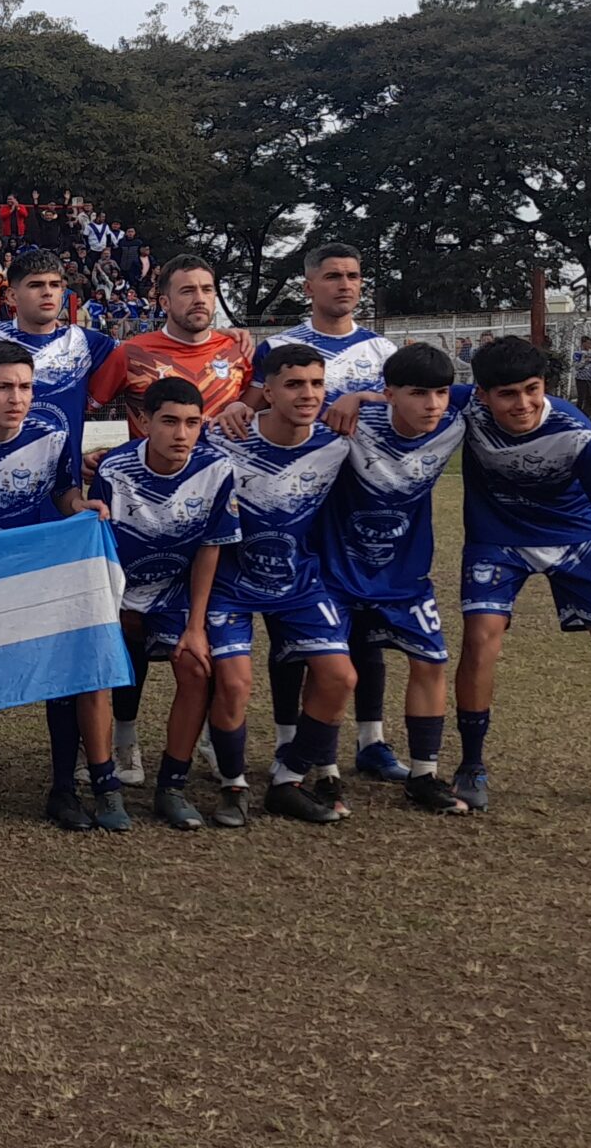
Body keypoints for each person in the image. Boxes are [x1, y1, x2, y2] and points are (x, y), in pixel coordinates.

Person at [452, 336, 591, 814]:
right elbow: (410, 391)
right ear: (483, 395)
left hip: (574, 538)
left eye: (533, 389)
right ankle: (471, 766)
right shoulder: (464, 408)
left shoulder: (578, 434)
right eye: (508, 394)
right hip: (498, 540)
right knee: (479, 639)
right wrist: (356, 398)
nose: (523, 403)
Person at [0, 340, 124, 834]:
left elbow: (64, 491)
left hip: (27, 579)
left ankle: (63, 789)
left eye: (26, 387)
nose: (17, 398)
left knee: (61, 673)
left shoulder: (52, 434)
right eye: (5, 387)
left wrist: (80, 507)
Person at [220, 242, 404, 779]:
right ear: (309, 286)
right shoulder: (281, 344)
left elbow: (405, 407)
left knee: (363, 620)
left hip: (360, 501)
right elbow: (253, 406)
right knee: (288, 620)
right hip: (297, 499)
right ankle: (288, 740)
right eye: (332, 276)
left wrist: (361, 399)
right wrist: (235, 404)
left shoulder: (381, 351)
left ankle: (372, 740)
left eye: (352, 276)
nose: (344, 285)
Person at [200, 343, 359, 826]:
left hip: (299, 582)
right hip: (231, 581)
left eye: (316, 384)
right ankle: (233, 784)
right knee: (233, 683)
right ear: (266, 392)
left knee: (340, 676)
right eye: (293, 384)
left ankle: (289, 778)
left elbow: (420, 400)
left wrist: (364, 398)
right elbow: (172, 452)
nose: (308, 394)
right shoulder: (224, 438)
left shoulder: (338, 441)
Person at [317, 343, 473, 814]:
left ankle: (424, 775)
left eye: (441, 393)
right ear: (390, 395)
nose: (432, 404)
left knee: (431, 662)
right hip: (338, 571)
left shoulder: (454, 420)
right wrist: (354, 400)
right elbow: (290, 405)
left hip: (404, 574)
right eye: (419, 394)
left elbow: (481, 391)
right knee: (331, 672)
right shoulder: (348, 424)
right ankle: (324, 774)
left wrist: (364, 394)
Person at [82, 376, 240, 830]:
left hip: (172, 594)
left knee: (195, 667)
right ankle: (105, 786)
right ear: (143, 421)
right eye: (169, 422)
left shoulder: (216, 469)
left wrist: (196, 625)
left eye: (193, 423)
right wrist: (112, 605)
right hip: (115, 589)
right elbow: (98, 538)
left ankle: (172, 785)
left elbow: (211, 545)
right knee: (97, 678)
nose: (181, 434)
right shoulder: (114, 468)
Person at [0, 249, 123, 435]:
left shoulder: (86, 342)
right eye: (36, 285)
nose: (47, 293)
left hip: (65, 463)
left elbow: (144, 374)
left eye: (54, 285)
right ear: (12, 296)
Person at [117, 255, 256, 434]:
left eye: (207, 290)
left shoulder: (240, 349)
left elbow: (261, 409)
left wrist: (242, 405)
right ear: (165, 303)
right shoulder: (131, 353)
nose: (200, 299)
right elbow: (80, 403)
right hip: (153, 462)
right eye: (187, 291)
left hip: (227, 461)